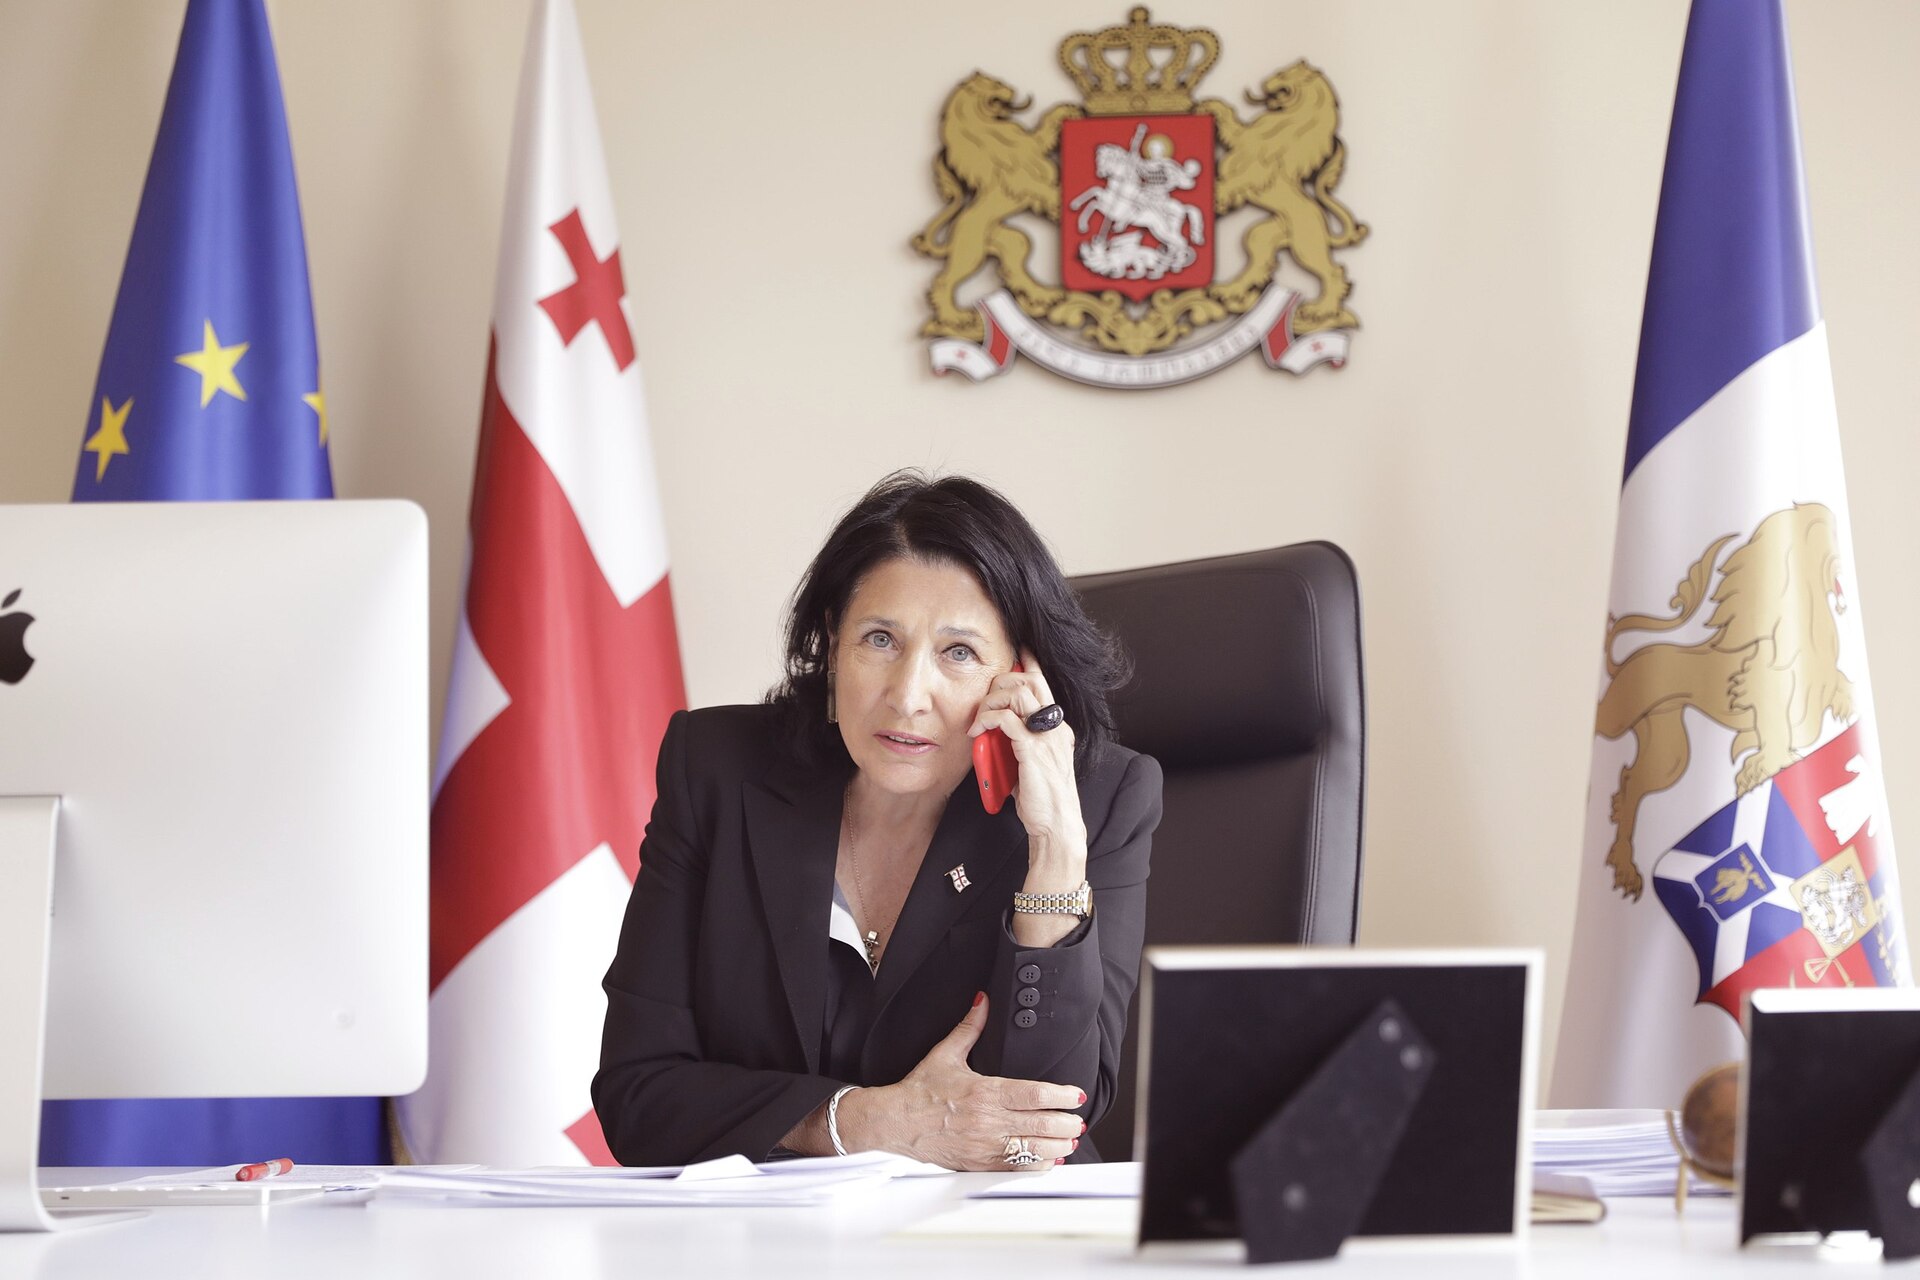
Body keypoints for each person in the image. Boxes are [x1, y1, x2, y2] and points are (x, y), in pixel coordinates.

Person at [593, 471, 1164, 1171]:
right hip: (765, 1228)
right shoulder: (717, 770)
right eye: (880, 639)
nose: (907, 695)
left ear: (1019, 673)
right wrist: (859, 1122)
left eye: (959, 653)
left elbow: (1052, 1116)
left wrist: (1055, 852)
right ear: (834, 641)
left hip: (994, 1226)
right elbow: (638, 1094)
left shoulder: (1098, 801)